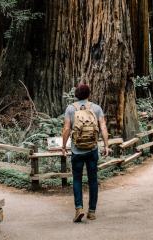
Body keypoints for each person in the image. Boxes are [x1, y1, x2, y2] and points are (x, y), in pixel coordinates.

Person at [62, 83, 110, 223]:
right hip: (92, 149)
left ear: (76, 95)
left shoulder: (71, 109)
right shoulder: (96, 108)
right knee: (93, 180)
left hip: (77, 151)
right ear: (89, 94)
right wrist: (106, 145)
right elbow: (103, 127)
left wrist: (64, 147)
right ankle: (92, 212)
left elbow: (66, 129)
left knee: (77, 179)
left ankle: (79, 208)